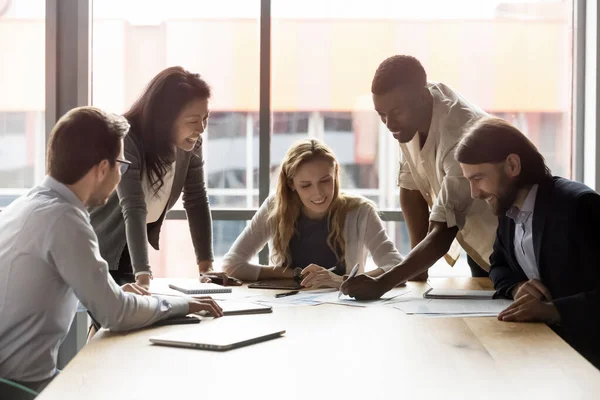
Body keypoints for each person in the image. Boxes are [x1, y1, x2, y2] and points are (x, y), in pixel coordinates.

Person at [0, 107, 223, 393]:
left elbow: (42, 293)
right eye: (121, 165)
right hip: (24, 389)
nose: (121, 176)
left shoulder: (28, 204)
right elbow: (114, 314)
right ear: (103, 168)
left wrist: (112, 293)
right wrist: (183, 304)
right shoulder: (65, 220)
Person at [341, 54, 497, 300]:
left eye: (395, 113)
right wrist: (417, 271)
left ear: (423, 98)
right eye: (381, 114)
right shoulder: (411, 112)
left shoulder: (459, 136)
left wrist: (383, 284)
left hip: (508, 245)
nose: (389, 123)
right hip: (476, 243)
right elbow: (411, 188)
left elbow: (442, 232)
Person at [455, 117, 600, 368]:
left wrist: (553, 310)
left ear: (512, 165)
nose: (474, 193)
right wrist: (516, 288)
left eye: (478, 178)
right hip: (544, 348)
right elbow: (497, 265)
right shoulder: (509, 210)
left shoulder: (579, 206)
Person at [91, 66, 232, 289]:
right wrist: (144, 276)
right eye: (193, 121)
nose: (201, 129)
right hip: (103, 246)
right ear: (165, 118)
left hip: (131, 244)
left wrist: (206, 268)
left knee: (133, 314)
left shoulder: (190, 143)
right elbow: (134, 206)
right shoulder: (126, 138)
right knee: (124, 316)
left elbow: (196, 198)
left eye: (205, 118)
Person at [222, 139, 404, 288]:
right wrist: (294, 274)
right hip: (287, 306)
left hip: (344, 311)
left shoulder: (360, 211)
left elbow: (397, 266)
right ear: (291, 184)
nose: (318, 193)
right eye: (306, 185)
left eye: (325, 181)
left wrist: (340, 280)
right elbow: (232, 265)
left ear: (336, 174)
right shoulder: (276, 206)